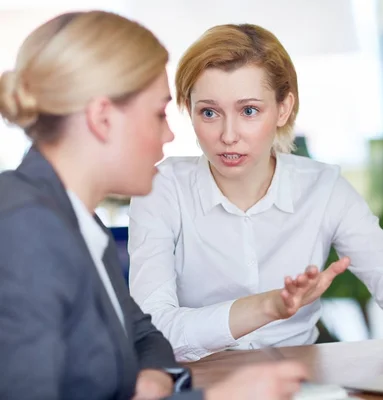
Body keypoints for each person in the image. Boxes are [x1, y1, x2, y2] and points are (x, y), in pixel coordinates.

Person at [0, 11, 308, 400]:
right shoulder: (25, 231)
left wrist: (155, 379)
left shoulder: (77, 220)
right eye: (158, 113)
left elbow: (145, 335)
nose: (168, 134)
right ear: (102, 118)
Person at [128, 23, 383, 363]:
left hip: (300, 382)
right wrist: (266, 307)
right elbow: (151, 333)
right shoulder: (160, 188)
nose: (228, 135)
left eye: (249, 110)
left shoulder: (324, 188)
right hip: (203, 383)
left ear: (284, 108)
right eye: (209, 112)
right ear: (188, 110)